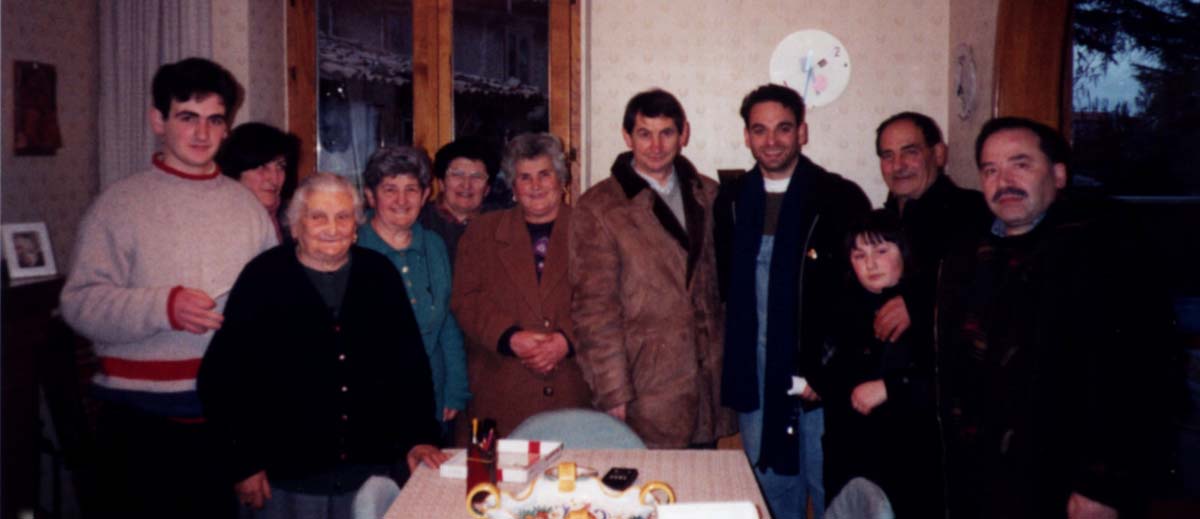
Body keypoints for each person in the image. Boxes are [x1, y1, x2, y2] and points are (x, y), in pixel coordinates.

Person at [59, 57, 277, 518]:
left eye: (214, 120)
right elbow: (78, 305)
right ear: (158, 120)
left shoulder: (248, 208)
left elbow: (271, 313)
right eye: (187, 117)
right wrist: (164, 306)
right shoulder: (118, 204)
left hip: (225, 424)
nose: (202, 133)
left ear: (226, 128)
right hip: (140, 425)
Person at [936, 117, 1178, 518]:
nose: (1004, 180)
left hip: (1064, 484)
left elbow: (1143, 378)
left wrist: (1101, 485)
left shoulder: (1104, 254)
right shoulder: (969, 255)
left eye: (1020, 164)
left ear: (1059, 174)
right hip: (982, 478)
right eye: (990, 170)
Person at [198, 173, 445, 518]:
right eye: (318, 217)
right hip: (285, 478)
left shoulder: (379, 275)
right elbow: (222, 379)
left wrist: (420, 436)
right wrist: (243, 462)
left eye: (343, 217)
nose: (333, 227)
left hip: (370, 473)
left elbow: (410, 367)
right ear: (296, 225)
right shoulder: (263, 278)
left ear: (356, 226)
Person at [717, 83, 870, 519]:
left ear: (802, 131)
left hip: (820, 371)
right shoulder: (729, 201)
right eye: (759, 130)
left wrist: (830, 369)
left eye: (783, 128)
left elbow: (858, 296)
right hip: (756, 374)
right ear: (746, 135)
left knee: (829, 486)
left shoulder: (838, 197)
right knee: (769, 489)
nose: (771, 141)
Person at [570, 89, 734, 449]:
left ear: (684, 134)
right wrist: (612, 391)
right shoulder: (600, 207)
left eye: (667, 133)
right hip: (645, 385)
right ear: (627, 137)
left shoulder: (709, 194)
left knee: (700, 494)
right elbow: (594, 310)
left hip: (706, 381)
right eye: (645, 134)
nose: (656, 145)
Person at [452, 132, 592, 440]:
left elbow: (604, 300)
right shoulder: (482, 232)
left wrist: (566, 340)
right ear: (513, 187)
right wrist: (509, 338)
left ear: (562, 181)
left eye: (545, 175)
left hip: (573, 394)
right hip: (500, 394)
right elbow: (465, 299)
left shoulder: (592, 230)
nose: (536, 186)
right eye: (525, 177)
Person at [818, 210, 941, 518]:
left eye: (882, 251)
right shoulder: (842, 306)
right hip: (850, 457)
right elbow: (830, 372)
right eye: (859, 255)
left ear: (905, 252)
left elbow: (948, 381)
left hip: (909, 459)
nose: (870, 264)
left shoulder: (929, 310)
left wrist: (891, 388)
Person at [357, 146, 470, 437]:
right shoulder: (354, 249)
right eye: (389, 189)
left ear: (424, 196)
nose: (401, 200)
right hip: (372, 398)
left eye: (411, 189)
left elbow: (447, 321)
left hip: (432, 394)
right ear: (371, 196)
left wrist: (455, 390)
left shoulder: (434, 245)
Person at [872, 112, 991, 347]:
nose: (898, 166)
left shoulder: (972, 211)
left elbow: (988, 290)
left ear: (938, 154)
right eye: (888, 156)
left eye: (910, 152)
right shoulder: (880, 223)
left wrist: (921, 306)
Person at [420, 137, 499, 266]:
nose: (466, 185)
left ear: (487, 189)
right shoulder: (419, 221)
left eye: (477, 177)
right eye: (457, 175)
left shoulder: (501, 224)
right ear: (441, 183)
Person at [216, 122, 301, 240]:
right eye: (261, 166)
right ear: (236, 172)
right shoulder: (221, 224)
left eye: (280, 166)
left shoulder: (292, 220)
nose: (274, 177)